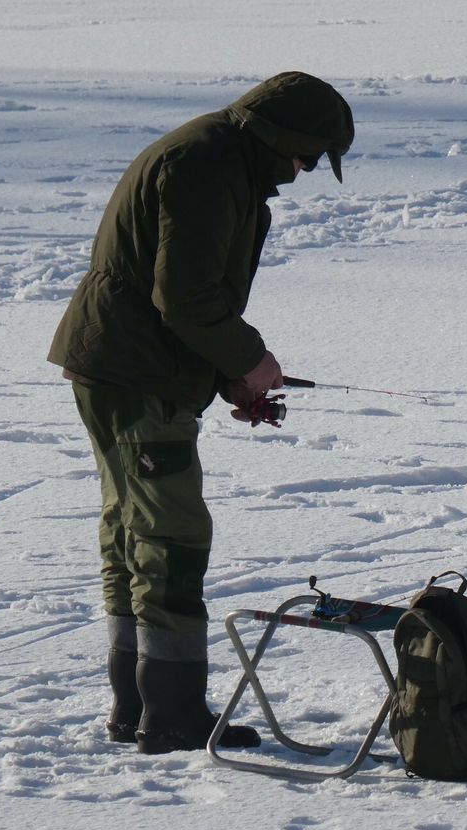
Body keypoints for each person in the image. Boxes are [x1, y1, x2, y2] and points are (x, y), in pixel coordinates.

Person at [47, 72, 354, 754]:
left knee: (132, 529)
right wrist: (251, 359)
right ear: (280, 137)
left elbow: (182, 292)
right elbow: (184, 298)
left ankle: (138, 705)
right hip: (137, 372)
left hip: (121, 364)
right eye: (306, 157)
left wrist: (230, 378)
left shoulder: (217, 155)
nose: (301, 173)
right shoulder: (208, 165)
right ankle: (173, 713)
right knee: (172, 535)